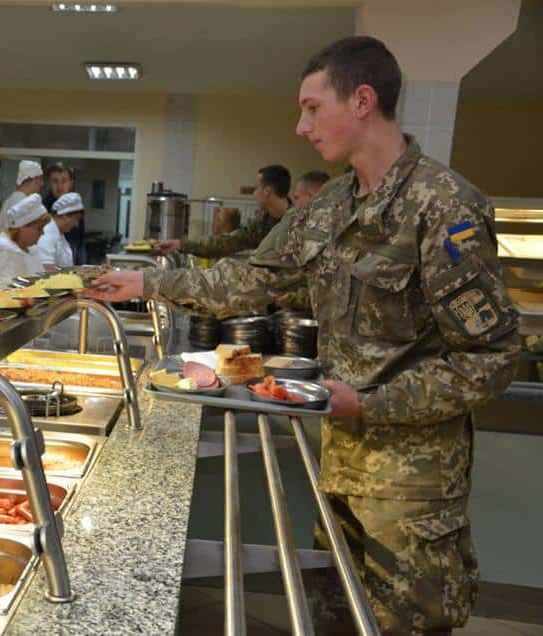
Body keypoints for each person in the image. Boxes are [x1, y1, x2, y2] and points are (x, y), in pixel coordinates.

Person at [86, 36, 520, 635]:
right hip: (338, 463)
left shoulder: (443, 206)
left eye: (313, 108)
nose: (302, 125)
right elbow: (253, 276)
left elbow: (491, 359)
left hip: (412, 492)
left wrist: (371, 403)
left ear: (363, 100)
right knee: (333, 616)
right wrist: (143, 280)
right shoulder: (331, 204)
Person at [157, 165, 292, 259]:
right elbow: (228, 241)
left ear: (267, 191)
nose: (254, 194)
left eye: (256, 189)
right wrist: (181, 244)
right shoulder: (262, 224)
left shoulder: (299, 223)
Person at [0, 194, 49, 288]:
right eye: (39, 228)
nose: (42, 233)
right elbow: (1, 289)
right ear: (22, 227)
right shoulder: (4, 250)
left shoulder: (29, 249)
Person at [43, 164, 86, 265]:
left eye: (64, 181)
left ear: (71, 183)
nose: (59, 186)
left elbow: (79, 243)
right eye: (55, 181)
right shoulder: (42, 210)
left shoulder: (75, 207)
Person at [32, 192, 84, 269]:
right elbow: (47, 268)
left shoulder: (59, 234)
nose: (77, 224)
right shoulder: (47, 234)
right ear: (65, 216)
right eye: (76, 219)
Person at [0, 160, 43, 231]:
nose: (42, 184)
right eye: (41, 180)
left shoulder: (7, 202)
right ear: (36, 179)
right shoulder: (25, 204)